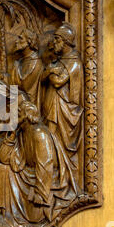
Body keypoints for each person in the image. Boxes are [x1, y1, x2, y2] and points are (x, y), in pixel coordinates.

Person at [0, 98, 79, 227]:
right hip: (28, 173)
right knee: (1, 168)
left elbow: (45, 166)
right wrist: (10, 138)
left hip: (46, 180)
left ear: (26, 116)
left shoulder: (39, 134)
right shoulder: (22, 133)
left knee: (35, 216)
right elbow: (5, 158)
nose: (14, 118)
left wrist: (40, 192)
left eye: (18, 114)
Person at [42, 22, 83, 169]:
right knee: (48, 135)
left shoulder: (74, 62)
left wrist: (50, 71)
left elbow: (58, 82)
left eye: (57, 39)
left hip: (62, 108)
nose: (54, 43)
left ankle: (53, 167)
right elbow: (43, 77)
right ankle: (48, 165)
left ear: (65, 41)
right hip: (52, 104)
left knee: (53, 137)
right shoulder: (59, 61)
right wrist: (51, 70)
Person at [10, 27, 44, 112]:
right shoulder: (22, 60)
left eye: (21, 38)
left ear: (29, 42)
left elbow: (25, 85)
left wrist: (16, 69)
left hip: (27, 110)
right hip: (16, 103)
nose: (17, 41)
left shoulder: (36, 63)